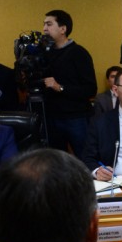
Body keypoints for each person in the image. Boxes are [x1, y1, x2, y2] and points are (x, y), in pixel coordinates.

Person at [42, 9, 98, 159]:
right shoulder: (45, 53)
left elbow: (90, 89)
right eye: (44, 24)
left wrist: (60, 87)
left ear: (63, 29)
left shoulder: (79, 53)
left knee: (85, 159)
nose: (44, 29)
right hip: (51, 117)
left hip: (76, 118)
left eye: (49, 24)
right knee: (57, 162)